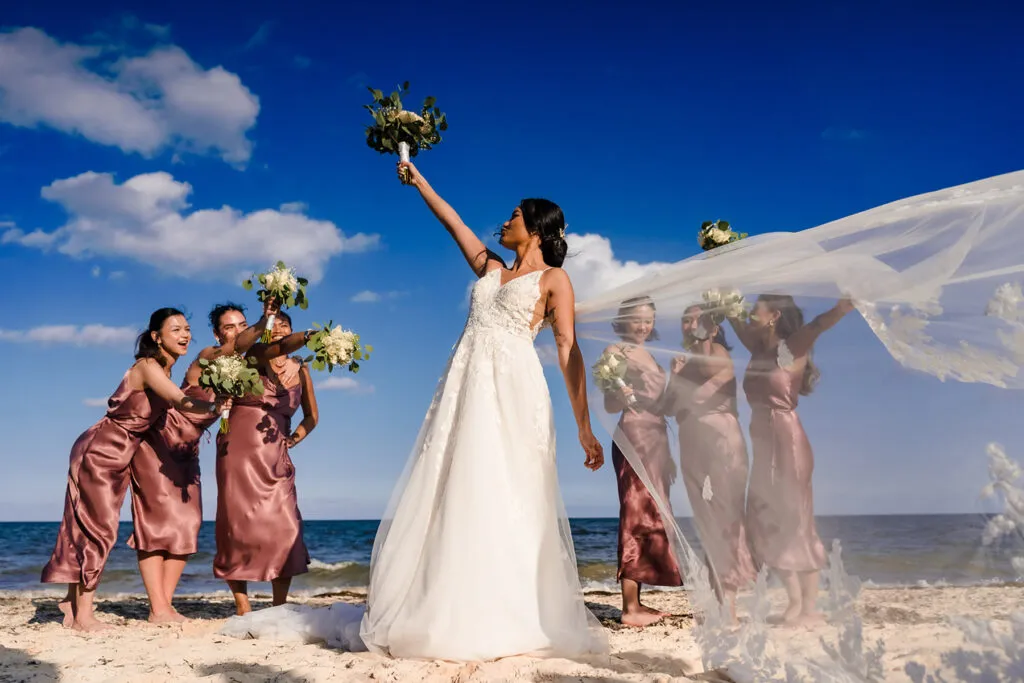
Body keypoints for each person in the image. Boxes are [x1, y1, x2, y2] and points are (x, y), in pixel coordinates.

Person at [221, 160, 608, 660]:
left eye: (515, 215)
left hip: (514, 387)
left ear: (535, 227)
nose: (505, 220)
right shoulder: (491, 268)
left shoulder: (556, 280)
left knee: (509, 484)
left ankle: (514, 609)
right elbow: (455, 223)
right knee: (453, 481)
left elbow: (567, 350)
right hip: (464, 385)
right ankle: (447, 601)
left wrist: (584, 424)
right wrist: (418, 178)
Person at [41, 308, 225, 631]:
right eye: (175, 329)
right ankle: (84, 615)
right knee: (98, 529)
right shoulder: (149, 367)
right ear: (156, 337)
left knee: (89, 525)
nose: (184, 335)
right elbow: (180, 401)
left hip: (120, 452)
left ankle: (73, 605)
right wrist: (215, 407)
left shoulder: (164, 371)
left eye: (186, 329)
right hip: (102, 449)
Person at [127, 299, 284, 622]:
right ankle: (159, 608)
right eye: (230, 326)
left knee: (186, 525)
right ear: (217, 334)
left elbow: (277, 356)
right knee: (156, 524)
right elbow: (239, 346)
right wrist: (262, 319)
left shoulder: (246, 367)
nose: (238, 332)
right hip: (161, 440)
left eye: (243, 325)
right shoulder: (207, 357)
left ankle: (164, 606)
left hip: (189, 449)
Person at [729, 294, 853, 625]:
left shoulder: (793, 345)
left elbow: (818, 324)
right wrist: (717, 264)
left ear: (774, 316)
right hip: (763, 443)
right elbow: (731, 314)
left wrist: (842, 307)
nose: (751, 312)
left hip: (788, 442)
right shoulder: (757, 348)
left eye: (757, 308)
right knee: (765, 518)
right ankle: (796, 601)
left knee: (796, 521)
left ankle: (806, 607)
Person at [214, 310, 319, 616]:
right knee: (236, 525)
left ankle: (279, 606)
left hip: (276, 452)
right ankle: (242, 605)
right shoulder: (255, 355)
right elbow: (277, 348)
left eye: (284, 327)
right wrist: (310, 337)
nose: (277, 331)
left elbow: (312, 416)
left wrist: (294, 439)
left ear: (292, 330)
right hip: (239, 449)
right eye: (274, 326)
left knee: (285, 525)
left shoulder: (301, 370)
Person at [665, 304, 755, 622]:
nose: (689, 324)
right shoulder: (685, 360)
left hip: (721, 442)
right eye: (684, 319)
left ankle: (728, 603)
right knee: (708, 521)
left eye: (695, 319)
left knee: (725, 519)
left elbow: (699, 397)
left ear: (713, 326)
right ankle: (721, 600)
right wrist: (674, 376)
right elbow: (671, 409)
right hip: (693, 444)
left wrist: (679, 387)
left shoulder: (717, 352)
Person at [601, 296, 682, 627]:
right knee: (636, 512)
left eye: (649, 320)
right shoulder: (614, 353)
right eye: (637, 319)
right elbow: (608, 405)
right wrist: (619, 394)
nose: (644, 326)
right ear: (624, 320)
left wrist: (674, 376)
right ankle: (630, 607)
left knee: (653, 514)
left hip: (657, 436)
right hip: (633, 434)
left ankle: (637, 602)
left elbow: (668, 406)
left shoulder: (649, 354)